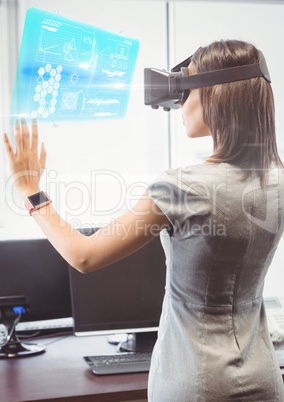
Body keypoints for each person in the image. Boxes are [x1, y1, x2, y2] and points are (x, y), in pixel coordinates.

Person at [4, 39, 284, 401]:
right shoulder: (277, 179)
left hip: (197, 383)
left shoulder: (183, 187)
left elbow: (84, 256)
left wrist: (31, 188)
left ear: (215, 96)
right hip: (264, 378)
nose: (181, 103)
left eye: (188, 89)